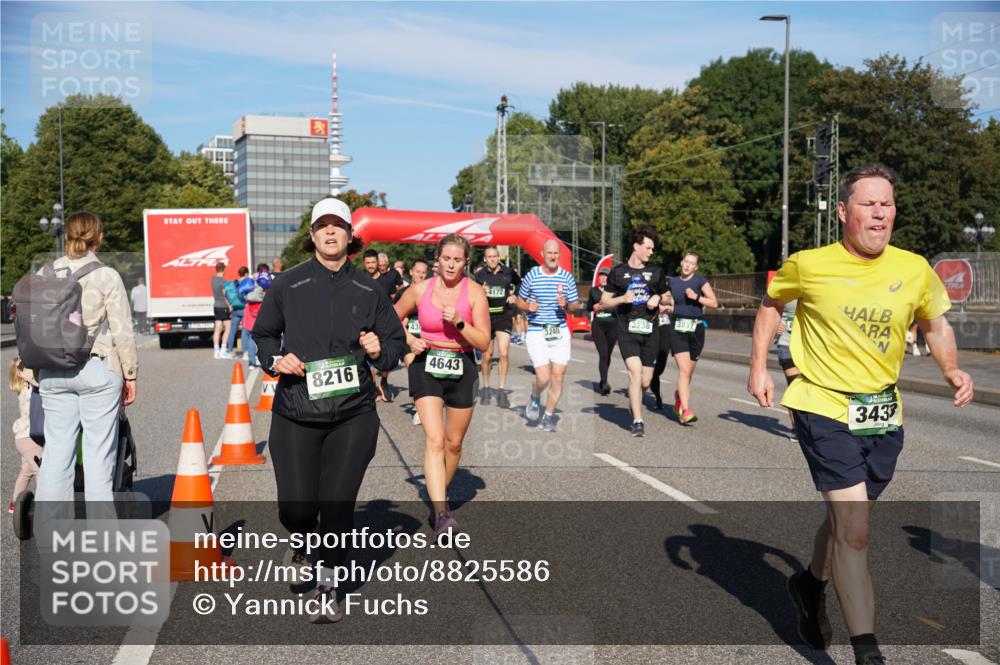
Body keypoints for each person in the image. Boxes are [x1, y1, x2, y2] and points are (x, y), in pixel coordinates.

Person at [748, 163, 974, 665]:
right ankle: (866, 651)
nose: (880, 212)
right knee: (854, 528)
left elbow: (934, 324)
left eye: (887, 204)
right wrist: (759, 367)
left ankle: (809, 584)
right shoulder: (809, 263)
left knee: (851, 518)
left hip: (881, 413)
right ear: (845, 212)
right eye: (869, 203)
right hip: (821, 403)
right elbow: (769, 305)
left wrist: (953, 369)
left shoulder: (913, 268)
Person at [252, 198, 407, 624]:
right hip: (296, 410)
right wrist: (274, 360)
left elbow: (396, 345)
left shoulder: (369, 288)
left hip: (353, 413)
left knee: (337, 504)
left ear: (351, 235)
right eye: (323, 226)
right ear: (313, 235)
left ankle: (329, 584)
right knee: (297, 509)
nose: (331, 232)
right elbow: (262, 336)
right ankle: (302, 539)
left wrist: (380, 351)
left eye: (338, 225)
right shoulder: (287, 284)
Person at [35, 211, 138, 510]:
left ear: (67, 235)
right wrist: (130, 375)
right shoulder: (107, 275)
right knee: (97, 456)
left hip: (52, 370)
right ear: (99, 238)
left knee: (56, 454)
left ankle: (51, 539)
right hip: (96, 367)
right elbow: (122, 330)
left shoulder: (45, 273)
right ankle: (101, 538)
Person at [394, 235, 490, 539]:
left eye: (457, 260)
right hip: (427, 365)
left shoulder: (475, 293)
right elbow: (391, 318)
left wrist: (460, 323)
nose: (450, 264)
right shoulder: (420, 290)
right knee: (434, 439)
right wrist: (409, 341)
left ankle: (438, 492)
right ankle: (441, 512)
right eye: (446, 259)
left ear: (465, 262)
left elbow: (484, 342)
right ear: (438, 260)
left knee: (453, 444)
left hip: (462, 366)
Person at [602, 227, 669, 437]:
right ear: (636, 247)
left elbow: (668, 297)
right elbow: (604, 301)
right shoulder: (618, 272)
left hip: (650, 330)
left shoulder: (656, 272)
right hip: (627, 329)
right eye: (648, 248)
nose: (651, 252)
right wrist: (622, 299)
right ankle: (638, 420)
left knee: (646, 380)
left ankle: (635, 402)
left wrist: (658, 299)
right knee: (635, 371)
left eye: (652, 249)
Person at [516, 239, 580, 432]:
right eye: (549, 253)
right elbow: (519, 301)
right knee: (543, 378)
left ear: (559, 255)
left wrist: (566, 304)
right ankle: (535, 395)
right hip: (537, 330)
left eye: (556, 253)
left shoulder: (566, 277)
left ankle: (549, 416)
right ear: (542, 254)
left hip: (559, 330)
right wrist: (528, 306)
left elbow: (575, 306)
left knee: (558, 376)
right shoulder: (532, 275)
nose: (553, 256)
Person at [668, 252, 718, 424]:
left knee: (689, 372)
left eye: (692, 263)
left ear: (696, 267)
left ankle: (678, 396)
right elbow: (670, 301)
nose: (688, 265)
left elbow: (714, 302)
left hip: (696, 329)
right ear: (681, 263)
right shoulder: (673, 282)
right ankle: (686, 411)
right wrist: (664, 305)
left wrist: (696, 297)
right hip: (677, 328)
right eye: (686, 262)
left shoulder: (700, 281)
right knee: (684, 371)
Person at [473, 246, 521, 408]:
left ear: (498, 257)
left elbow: (520, 283)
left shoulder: (508, 272)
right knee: (487, 356)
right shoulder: (479, 275)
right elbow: (472, 293)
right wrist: (481, 291)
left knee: (504, 352)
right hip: (485, 317)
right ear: (485, 259)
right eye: (489, 257)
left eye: (495, 256)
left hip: (504, 315)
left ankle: (501, 390)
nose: (493, 259)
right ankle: (486, 388)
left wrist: (515, 295)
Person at [397, 259, 430, 425]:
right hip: (408, 338)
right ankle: (419, 407)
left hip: (427, 339)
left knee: (426, 372)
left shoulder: (432, 292)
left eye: (424, 272)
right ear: (411, 272)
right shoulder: (402, 293)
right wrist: (402, 321)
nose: (421, 275)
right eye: (418, 272)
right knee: (414, 367)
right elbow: (393, 316)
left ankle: (426, 403)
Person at [9, 357, 43, 513]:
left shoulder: (24, 389)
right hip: (29, 438)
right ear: (19, 373)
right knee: (41, 470)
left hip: (22, 438)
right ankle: (45, 505)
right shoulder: (28, 391)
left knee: (26, 472)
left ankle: (15, 504)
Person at [587, 268, 618, 396]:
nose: (604, 278)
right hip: (598, 325)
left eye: (606, 276)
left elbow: (619, 306)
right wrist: (593, 307)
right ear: (599, 278)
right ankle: (605, 383)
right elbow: (589, 307)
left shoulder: (615, 292)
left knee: (608, 355)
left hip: (613, 325)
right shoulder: (593, 291)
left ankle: (602, 379)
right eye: (602, 275)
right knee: (603, 354)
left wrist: (607, 306)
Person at [240, 263, 271, 369]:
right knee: (262, 336)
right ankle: (262, 359)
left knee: (250, 336)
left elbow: (243, 293)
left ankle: (251, 361)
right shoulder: (266, 279)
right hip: (260, 309)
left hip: (249, 310)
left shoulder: (251, 278)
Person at [649, 291, 675, 410]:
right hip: (652, 333)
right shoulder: (651, 293)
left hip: (666, 334)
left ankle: (648, 379)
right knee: (652, 371)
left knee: (660, 368)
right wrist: (657, 307)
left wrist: (670, 308)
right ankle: (658, 397)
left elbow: (676, 305)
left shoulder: (670, 293)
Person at [225, 266, 249, 358]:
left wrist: (230, 304)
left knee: (233, 330)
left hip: (235, 309)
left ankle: (230, 350)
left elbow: (224, 292)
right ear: (246, 274)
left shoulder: (233, 283)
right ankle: (245, 352)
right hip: (244, 309)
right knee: (245, 330)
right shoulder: (247, 283)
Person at [211, 262, 232, 359]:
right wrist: (230, 306)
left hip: (216, 306)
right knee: (227, 328)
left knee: (217, 329)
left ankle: (216, 351)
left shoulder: (213, 280)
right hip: (224, 306)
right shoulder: (223, 281)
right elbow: (224, 295)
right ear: (224, 269)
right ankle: (223, 351)